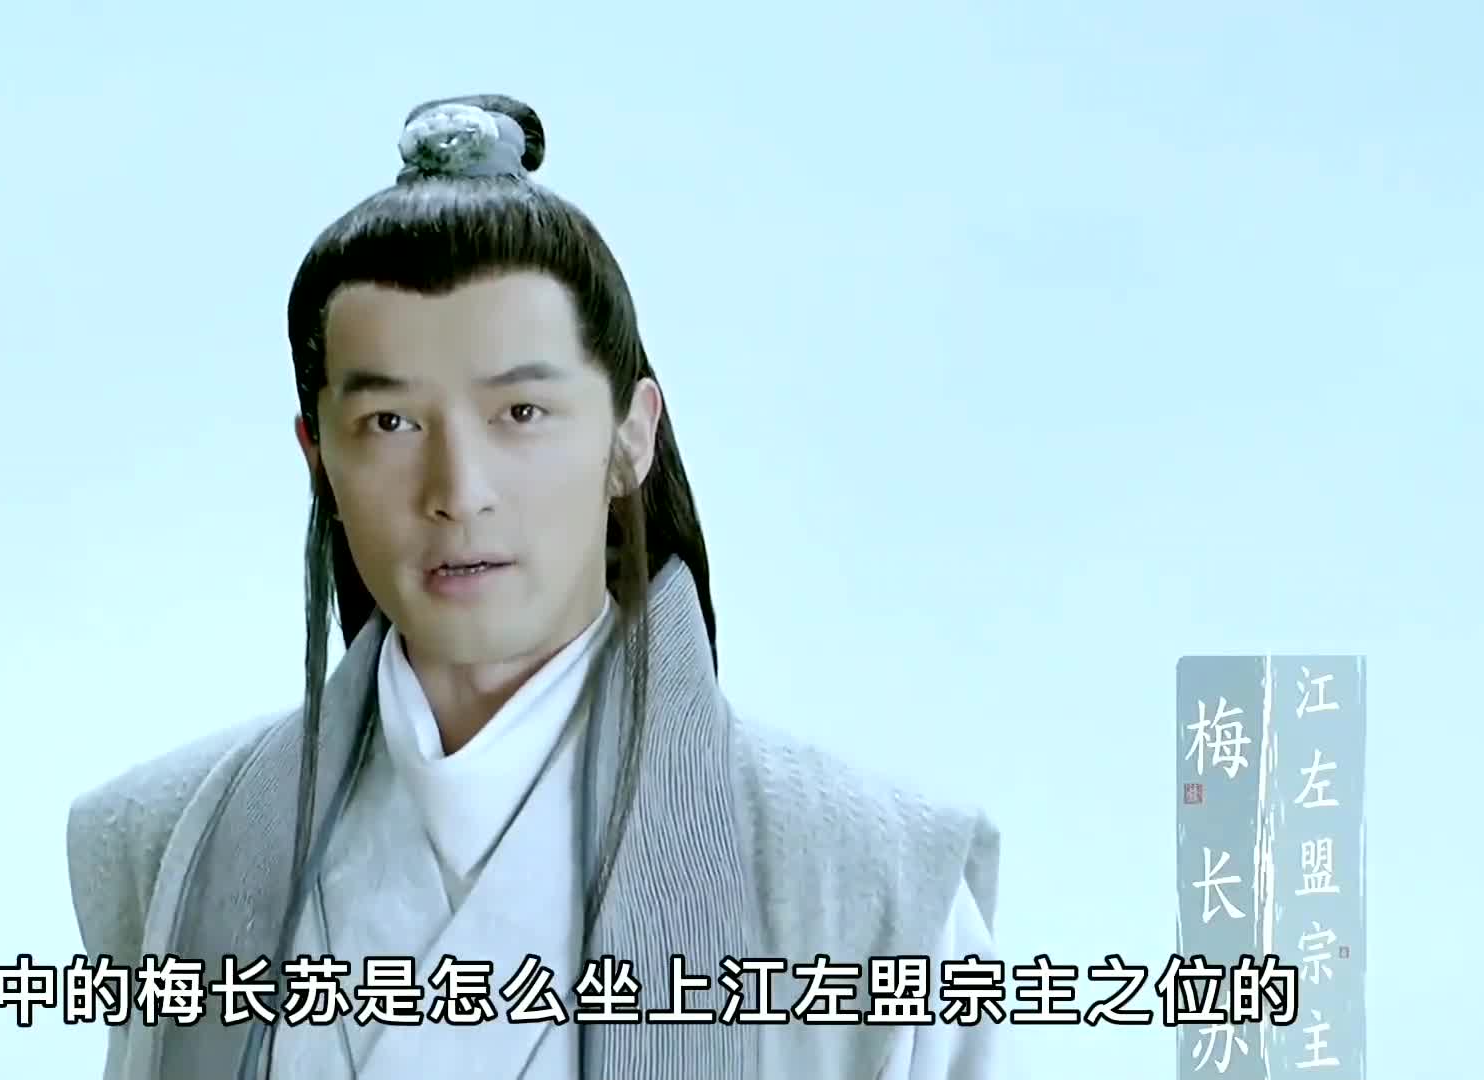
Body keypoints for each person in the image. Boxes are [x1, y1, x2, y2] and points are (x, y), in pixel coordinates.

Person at [65, 93, 1004, 1080]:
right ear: (318, 457)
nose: (458, 491)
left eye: (520, 412)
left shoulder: (872, 882)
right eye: (391, 423)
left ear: (631, 434)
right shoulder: (170, 841)